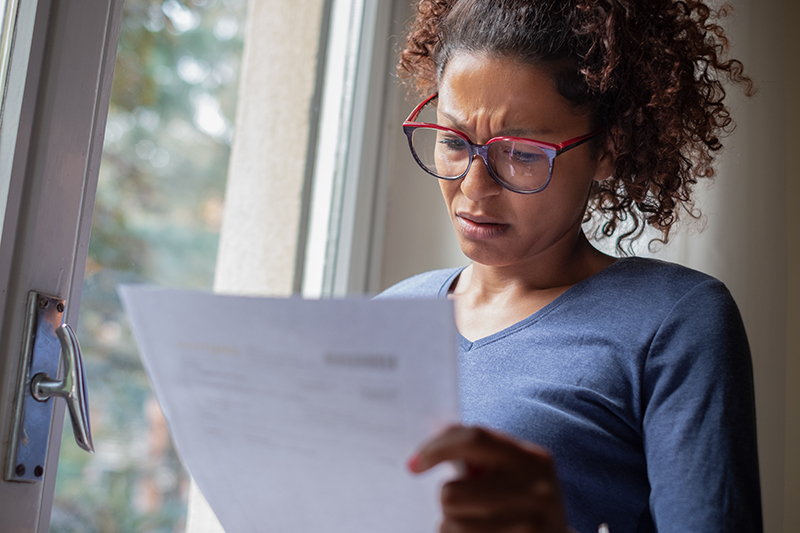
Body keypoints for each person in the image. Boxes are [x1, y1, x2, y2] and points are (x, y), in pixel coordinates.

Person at [376, 0, 762, 532]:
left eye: (522, 153)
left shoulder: (673, 322)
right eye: (452, 141)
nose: (473, 185)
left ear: (609, 148)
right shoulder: (388, 315)